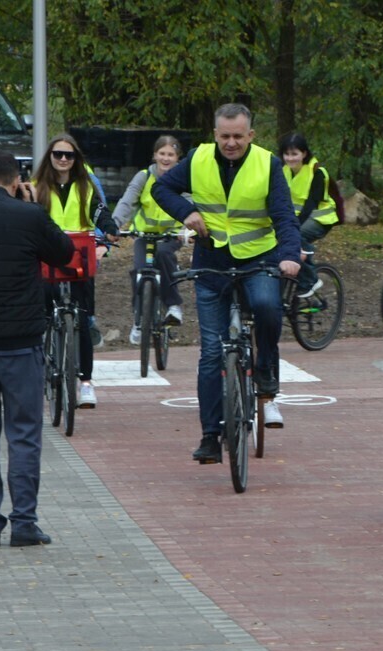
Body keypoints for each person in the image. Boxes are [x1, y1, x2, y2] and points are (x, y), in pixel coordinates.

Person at [152, 103, 302, 460]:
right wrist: (186, 212)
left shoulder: (268, 164)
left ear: (251, 135)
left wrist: (290, 256)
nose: (231, 143)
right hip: (211, 261)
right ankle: (210, 436)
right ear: (215, 134)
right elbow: (162, 189)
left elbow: (284, 216)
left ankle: (265, 366)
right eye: (224, 136)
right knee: (210, 353)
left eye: (238, 136)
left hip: (259, 258)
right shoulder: (199, 159)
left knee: (267, 306)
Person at [0, 150, 75, 547]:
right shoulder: (29, 215)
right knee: (23, 433)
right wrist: (34, 208)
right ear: (15, 181)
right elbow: (65, 253)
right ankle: (23, 523)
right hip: (19, 343)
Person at [32, 134, 117, 408]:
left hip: (79, 255)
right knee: (41, 317)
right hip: (46, 256)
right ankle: (41, 367)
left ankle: (86, 383)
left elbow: (100, 212)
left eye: (69, 155)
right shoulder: (36, 186)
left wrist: (110, 229)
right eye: (58, 154)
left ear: (76, 159)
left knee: (82, 321)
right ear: (50, 157)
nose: (64, 159)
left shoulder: (86, 186)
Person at [112, 135, 187, 346]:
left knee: (164, 254)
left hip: (171, 236)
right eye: (161, 153)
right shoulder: (144, 177)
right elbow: (128, 201)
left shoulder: (182, 177)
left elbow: (190, 202)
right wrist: (114, 224)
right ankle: (139, 319)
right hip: (144, 235)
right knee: (138, 270)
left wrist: (186, 228)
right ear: (154, 155)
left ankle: (173, 306)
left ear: (177, 157)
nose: (165, 158)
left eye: (170, 154)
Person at [278, 131, 340, 296]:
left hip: (320, 217)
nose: (290, 158)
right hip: (296, 217)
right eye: (287, 154)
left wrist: (292, 227)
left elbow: (311, 204)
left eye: (295, 154)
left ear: (304, 153)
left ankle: (310, 279)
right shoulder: (283, 170)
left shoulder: (317, 172)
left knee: (297, 236)